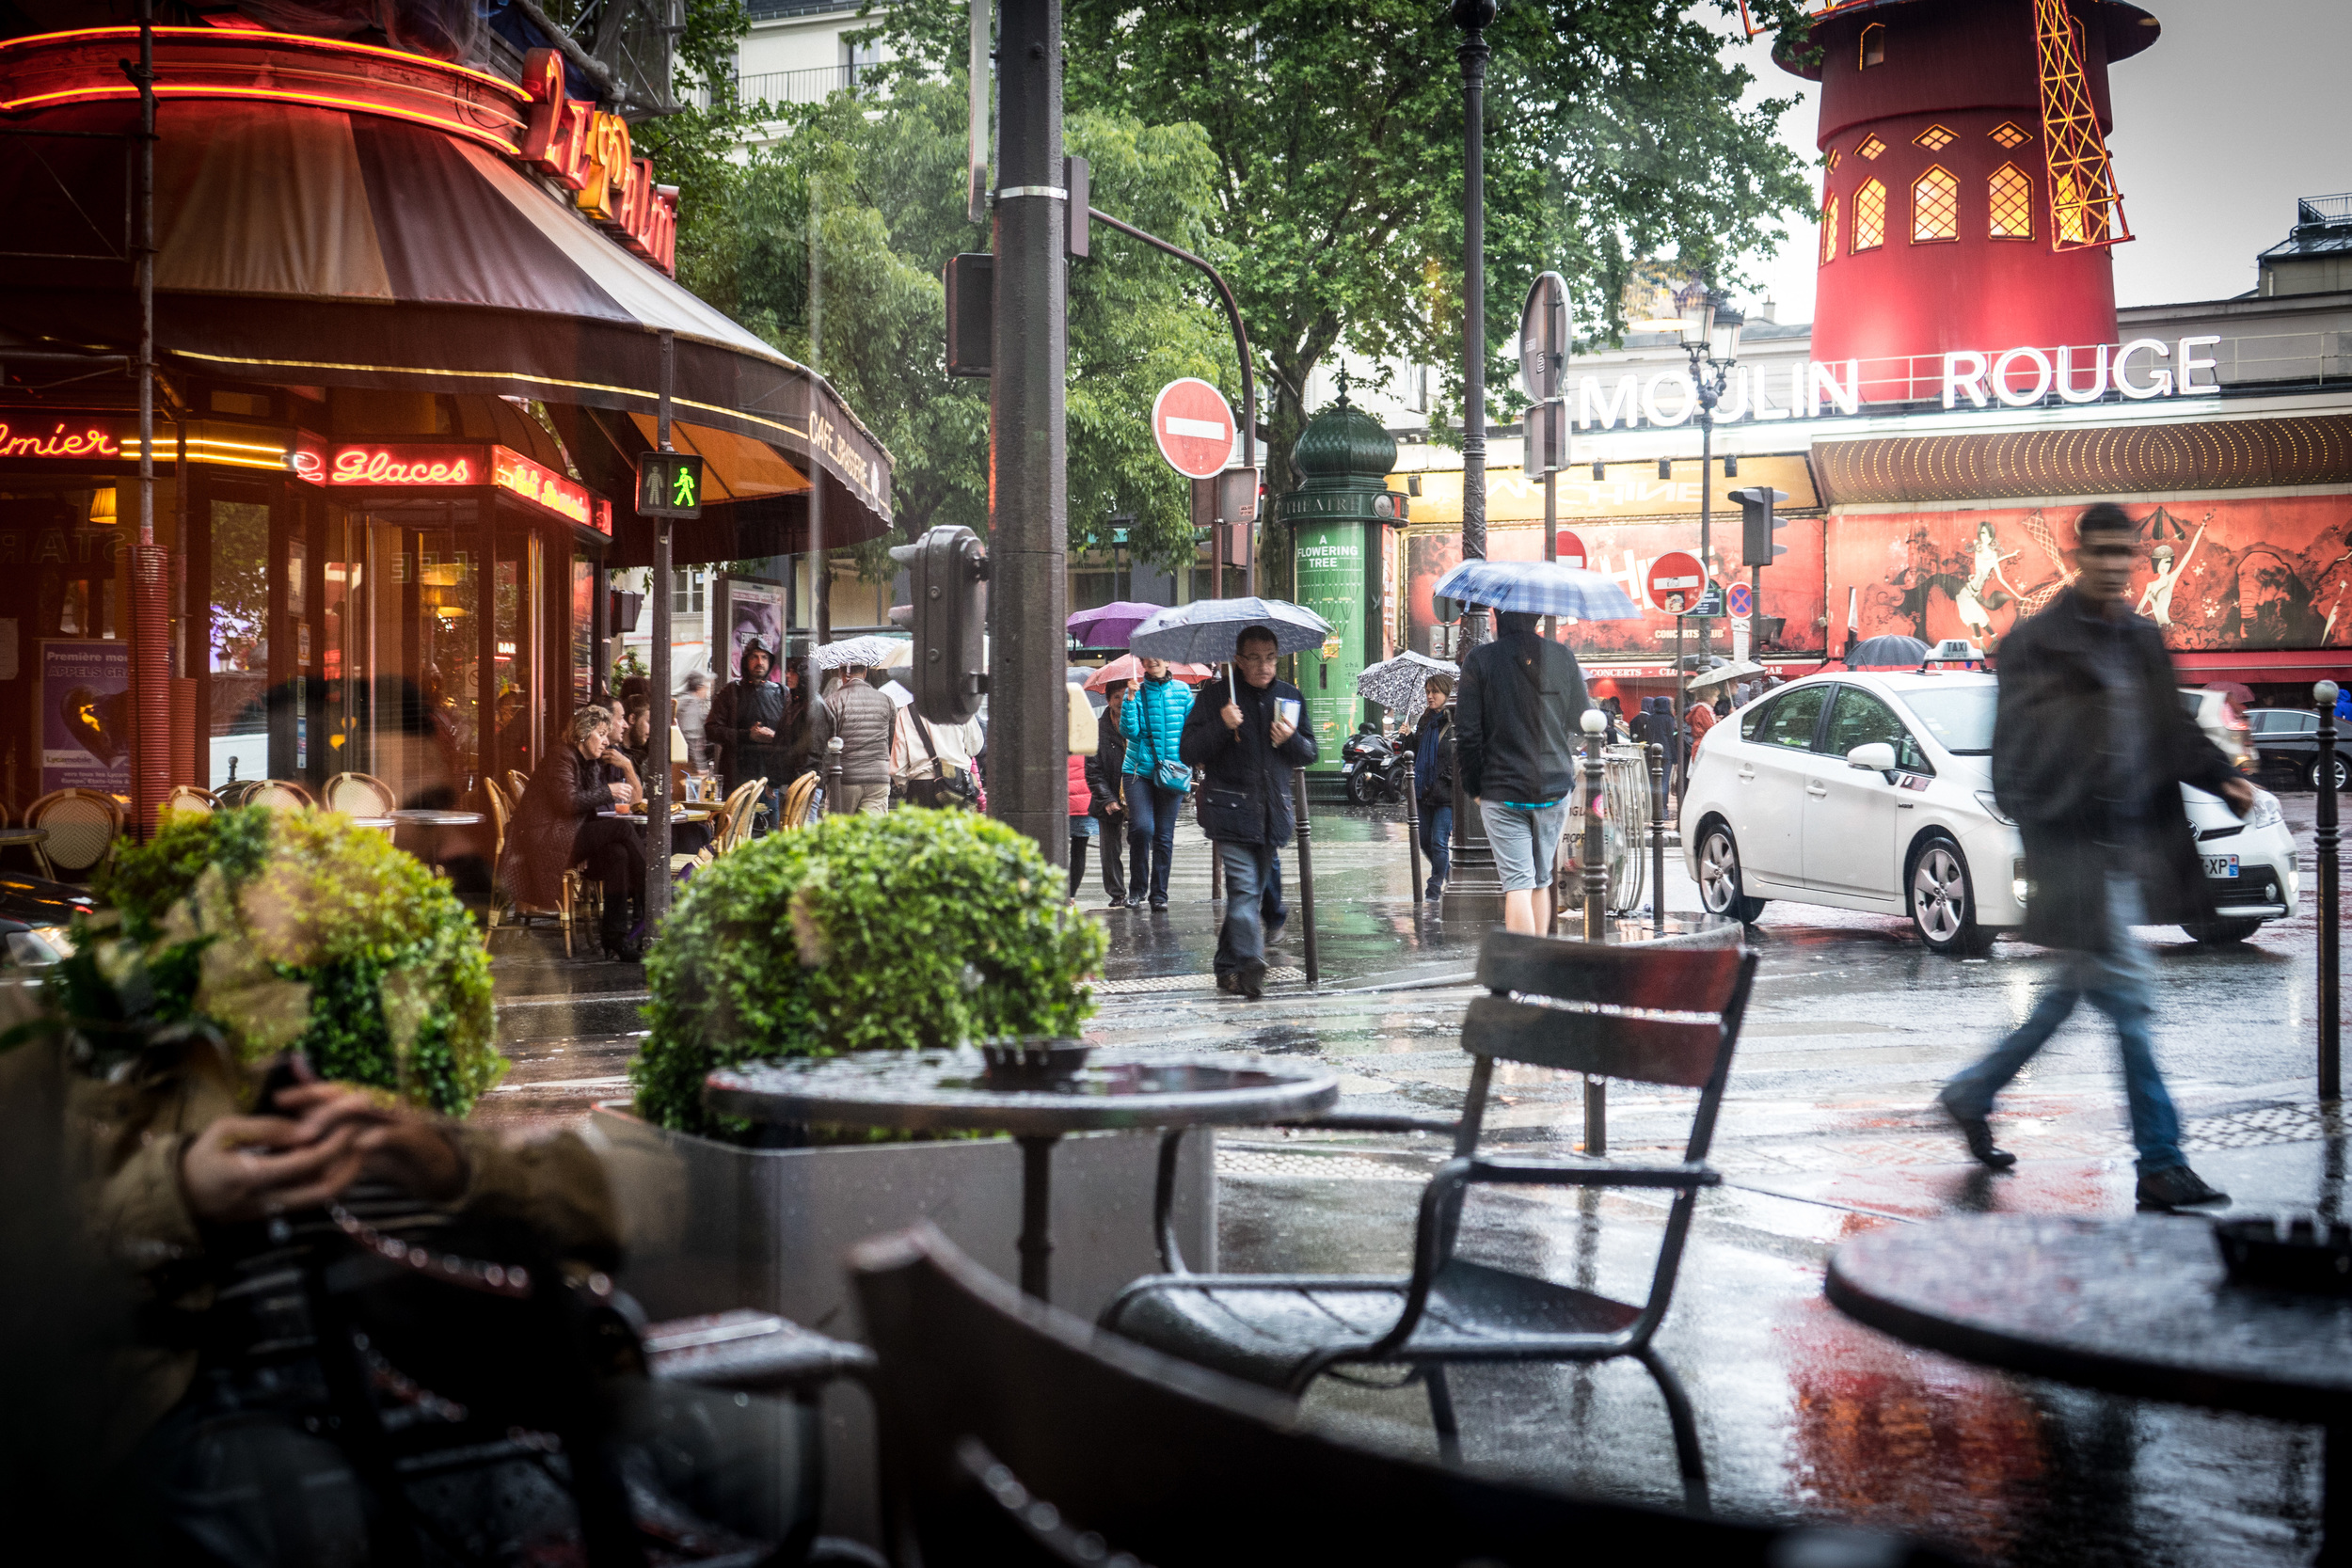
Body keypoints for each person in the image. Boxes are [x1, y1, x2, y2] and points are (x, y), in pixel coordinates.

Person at [1936, 501, 2251, 1212]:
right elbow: (2010, 760)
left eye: (2124, 554)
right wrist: (2049, 826)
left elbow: (2168, 727)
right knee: (2133, 1006)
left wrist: (2221, 775)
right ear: (2079, 556)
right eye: (2101, 552)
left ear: (2135, 559)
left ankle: (1972, 1091)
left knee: (2070, 994)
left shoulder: (2142, 638)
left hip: (2138, 846)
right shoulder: (2035, 644)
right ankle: (2161, 1161)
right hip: (2077, 851)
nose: (2114, 565)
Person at [1181, 627, 1316, 997]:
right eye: (1254, 657)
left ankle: (1226, 967)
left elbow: (1309, 753)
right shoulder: (1216, 697)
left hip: (1272, 813)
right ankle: (1251, 959)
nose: (1264, 665)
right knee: (1243, 889)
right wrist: (1222, 726)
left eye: (1270, 657)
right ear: (1238, 660)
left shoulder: (1289, 696)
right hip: (1229, 811)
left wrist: (1291, 740)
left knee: (1252, 893)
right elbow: (1188, 751)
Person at [1456, 610, 1588, 935]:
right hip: (1553, 786)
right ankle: (1539, 971)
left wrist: (1474, 786)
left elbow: (1468, 733)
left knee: (1517, 883)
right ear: (1537, 617)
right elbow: (1581, 719)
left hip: (1501, 788)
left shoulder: (1481, 659)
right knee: (1542, 880)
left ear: (1497, 616)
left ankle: (1521, 973)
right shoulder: (1561, 656)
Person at [504, 705, 646, 960]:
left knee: (618, 854)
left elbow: (590, 806)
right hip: (546, 842)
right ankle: (652, 894)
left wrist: (614, 785)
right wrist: (609, 791)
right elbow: (568, 803)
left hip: (567, 836)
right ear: (583, 733)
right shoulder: (561, 756)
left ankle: (616, 938)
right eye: (601, 734)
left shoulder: (588, 761)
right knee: (622, 829)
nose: (606, 741)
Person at [1119, 657, 1193, 911]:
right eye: (1145, 657)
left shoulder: (1183, 691)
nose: (1151, 660)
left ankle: (1159, 895)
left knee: (1164, 836)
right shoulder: (1136, 690)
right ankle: (1137, 889)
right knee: (1142, 828)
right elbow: (1130, 732)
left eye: (1156, 655)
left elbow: (1192, 731)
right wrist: (1129, 699)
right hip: (1138, 771)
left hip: (1172, 773)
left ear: (1169, 660)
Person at [708, 641, 790, 832]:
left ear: (770, 661)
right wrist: (747, 735)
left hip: (770, 778)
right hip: (737, 775)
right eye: (754, 657)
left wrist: (775, 737)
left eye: (764, 657)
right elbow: (712, 729)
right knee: (734, 831)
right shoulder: (730, 692)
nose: (759, 662)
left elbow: (793, 735)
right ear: (746, 661)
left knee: (769, 835)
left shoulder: (781, 692)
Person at [810, 662, 898, 816]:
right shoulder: (887, 701)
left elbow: (825, 744)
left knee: (841, 829)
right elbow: (893, 741)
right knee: (873, 833)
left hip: (844, 778)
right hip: (878, 777)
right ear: (865, 672)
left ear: (841, 673)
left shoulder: (832, 701)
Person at [1086, 679, 1131, 908]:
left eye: (1126, 696)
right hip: (1110, 794)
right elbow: (1092, 770)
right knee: (1110, 849)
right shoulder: (1098, 729)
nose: (1121, 702)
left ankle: (1139, 890)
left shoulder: (1140, 723)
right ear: (1108, 700)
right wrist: (1107, 799)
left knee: (1142, 838)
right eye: (1117, 697)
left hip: (1136, 791)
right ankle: (1117, 893)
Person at [1411, 673, 1457, 899]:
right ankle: (1452, 876)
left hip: (1445, 794)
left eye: (1435, 692)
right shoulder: (1424, 720)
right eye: (1427, 692)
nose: (1430, 696)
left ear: (1447, 694)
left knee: (1439, 841)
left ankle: (1433, 888)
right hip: (1424, 792)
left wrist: (1443, 779)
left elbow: (1458, 757)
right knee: (1424, 841)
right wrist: (1407, 738)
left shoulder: (1454, 721)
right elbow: (1415, 755)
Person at [894, 697, 984, 808]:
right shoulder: (961, 708)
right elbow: (975, 746)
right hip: (958, 784)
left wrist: (905, 786)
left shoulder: (906, 712)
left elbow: (898, 763)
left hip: (921, 785)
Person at [1067, 749, 1096, 899]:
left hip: (1057, 795)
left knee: (1049, 847)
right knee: (1079, 848)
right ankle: (1070, 896)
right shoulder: (1087, 728)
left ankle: (1059, 894)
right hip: (1084, 794)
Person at [675, 669, 711, 771]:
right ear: (699, 687)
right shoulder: (690, 703)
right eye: (706, 687)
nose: (707, 692)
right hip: (687, 765)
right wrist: (699, 767)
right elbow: (691, 737)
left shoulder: (686, 701)